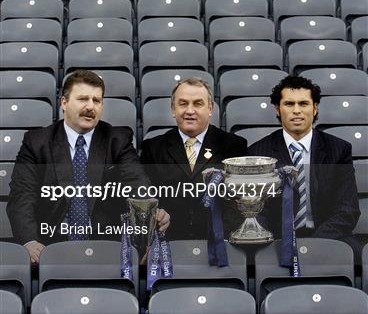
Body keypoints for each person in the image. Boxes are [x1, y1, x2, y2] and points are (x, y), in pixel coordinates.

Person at [7, 70, 169, 264]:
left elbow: (137, 184)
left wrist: (149, 215)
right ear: (64, 103)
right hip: (51, 245)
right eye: (83, 99)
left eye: (97, 100)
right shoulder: (37, 142)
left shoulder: (117, 139)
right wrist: (30, 241)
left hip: (108, 245)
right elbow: (22, 196)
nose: (90, 106)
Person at [247, 74, 361, 254]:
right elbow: (257, 211)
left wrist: (313, 245)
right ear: (278, 109)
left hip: (328, 237)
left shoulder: (339, 150)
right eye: (289, 104)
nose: (297, 110)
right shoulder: (258, 152)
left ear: (315, 108)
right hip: (276, 241)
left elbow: (347, 210)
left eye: (304, 103)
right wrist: (280, 243)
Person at [140, 77, 248, 240]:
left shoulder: (233, 146)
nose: (190, 111)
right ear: (173, 109)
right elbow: (146, 197)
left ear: (210, 108)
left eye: (198, 103)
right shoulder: (153, 148)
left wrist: (220, 236)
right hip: (168, 243)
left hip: (220, 243)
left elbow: (239, 200)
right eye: (183, 103)